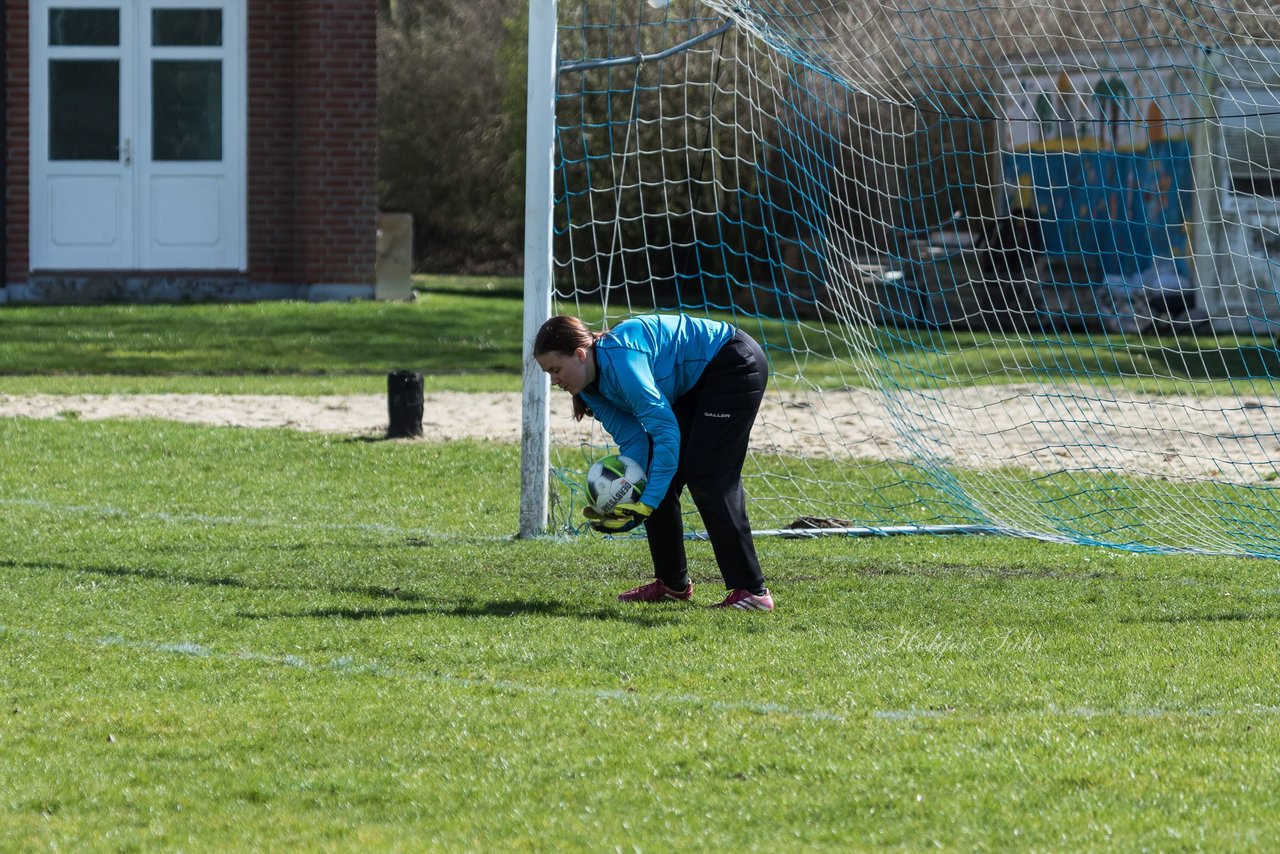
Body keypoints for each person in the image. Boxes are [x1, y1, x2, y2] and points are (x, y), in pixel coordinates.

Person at [533, 314, 773, 610]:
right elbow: (635, 441)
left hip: (733, 363)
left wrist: (646, 504)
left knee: (708, 475)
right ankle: (673, 584)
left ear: (580, 355)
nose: (554, 381)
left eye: (556, 370)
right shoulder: (589, 388)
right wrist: (628, 494)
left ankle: (752, 592)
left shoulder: (623, 363)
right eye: (549, 374)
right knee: (652, 475)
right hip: (697, 384)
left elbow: (665, 434)